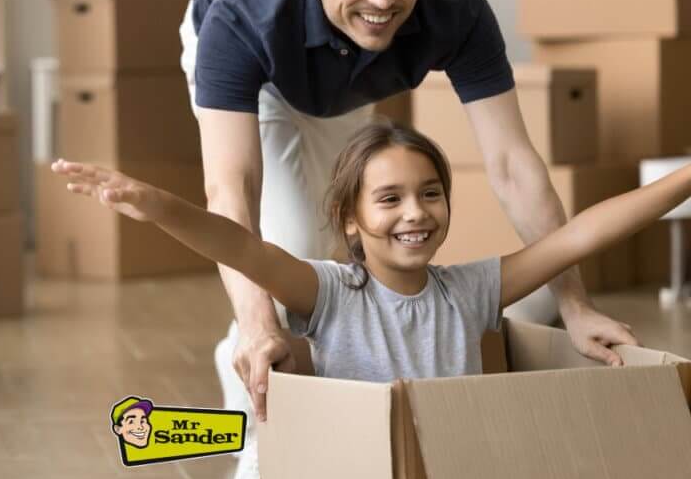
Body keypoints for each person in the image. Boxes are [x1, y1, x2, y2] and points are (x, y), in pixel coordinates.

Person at [179, 0, 636, 479]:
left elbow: (514, 165)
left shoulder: (454, 5)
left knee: (340, 256)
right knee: (289, 259)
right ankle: (258, 446)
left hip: (340, 84)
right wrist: (256, 323)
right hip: (264, 75)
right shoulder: (243, 13)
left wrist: (575, 305)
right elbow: (231, 190)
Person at [51, 117, 673, 394]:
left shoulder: (469, 291)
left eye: (432, 194)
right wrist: (156, 205)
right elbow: (239, 245)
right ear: (352, 219)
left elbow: (581, 234)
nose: (416, 213)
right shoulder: (329, 293)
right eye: (390, 199)